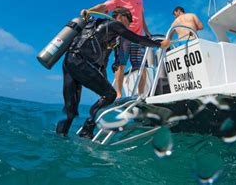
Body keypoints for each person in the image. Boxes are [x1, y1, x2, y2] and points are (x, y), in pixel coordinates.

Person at [56, 7, 171, 138]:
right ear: (121, 17)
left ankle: (60, 135)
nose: (127, 28)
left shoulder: (99, 27)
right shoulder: (114, 24)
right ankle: (86, 130)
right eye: (128, 23)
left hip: (69, 61)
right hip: (80, 62)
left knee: (70, 109)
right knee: (110, 95)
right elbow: (136, 39)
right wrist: (160, 44)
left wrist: (104, 81)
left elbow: (102, 62)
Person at [81, 0, 151, 99]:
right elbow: (103, 6)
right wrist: (89, 10)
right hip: (123, 35)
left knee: (142, 66)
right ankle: (119, 95)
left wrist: (147, 31)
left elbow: (141, 15)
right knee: (120, 64)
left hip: (138, 37)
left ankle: (142, 96)